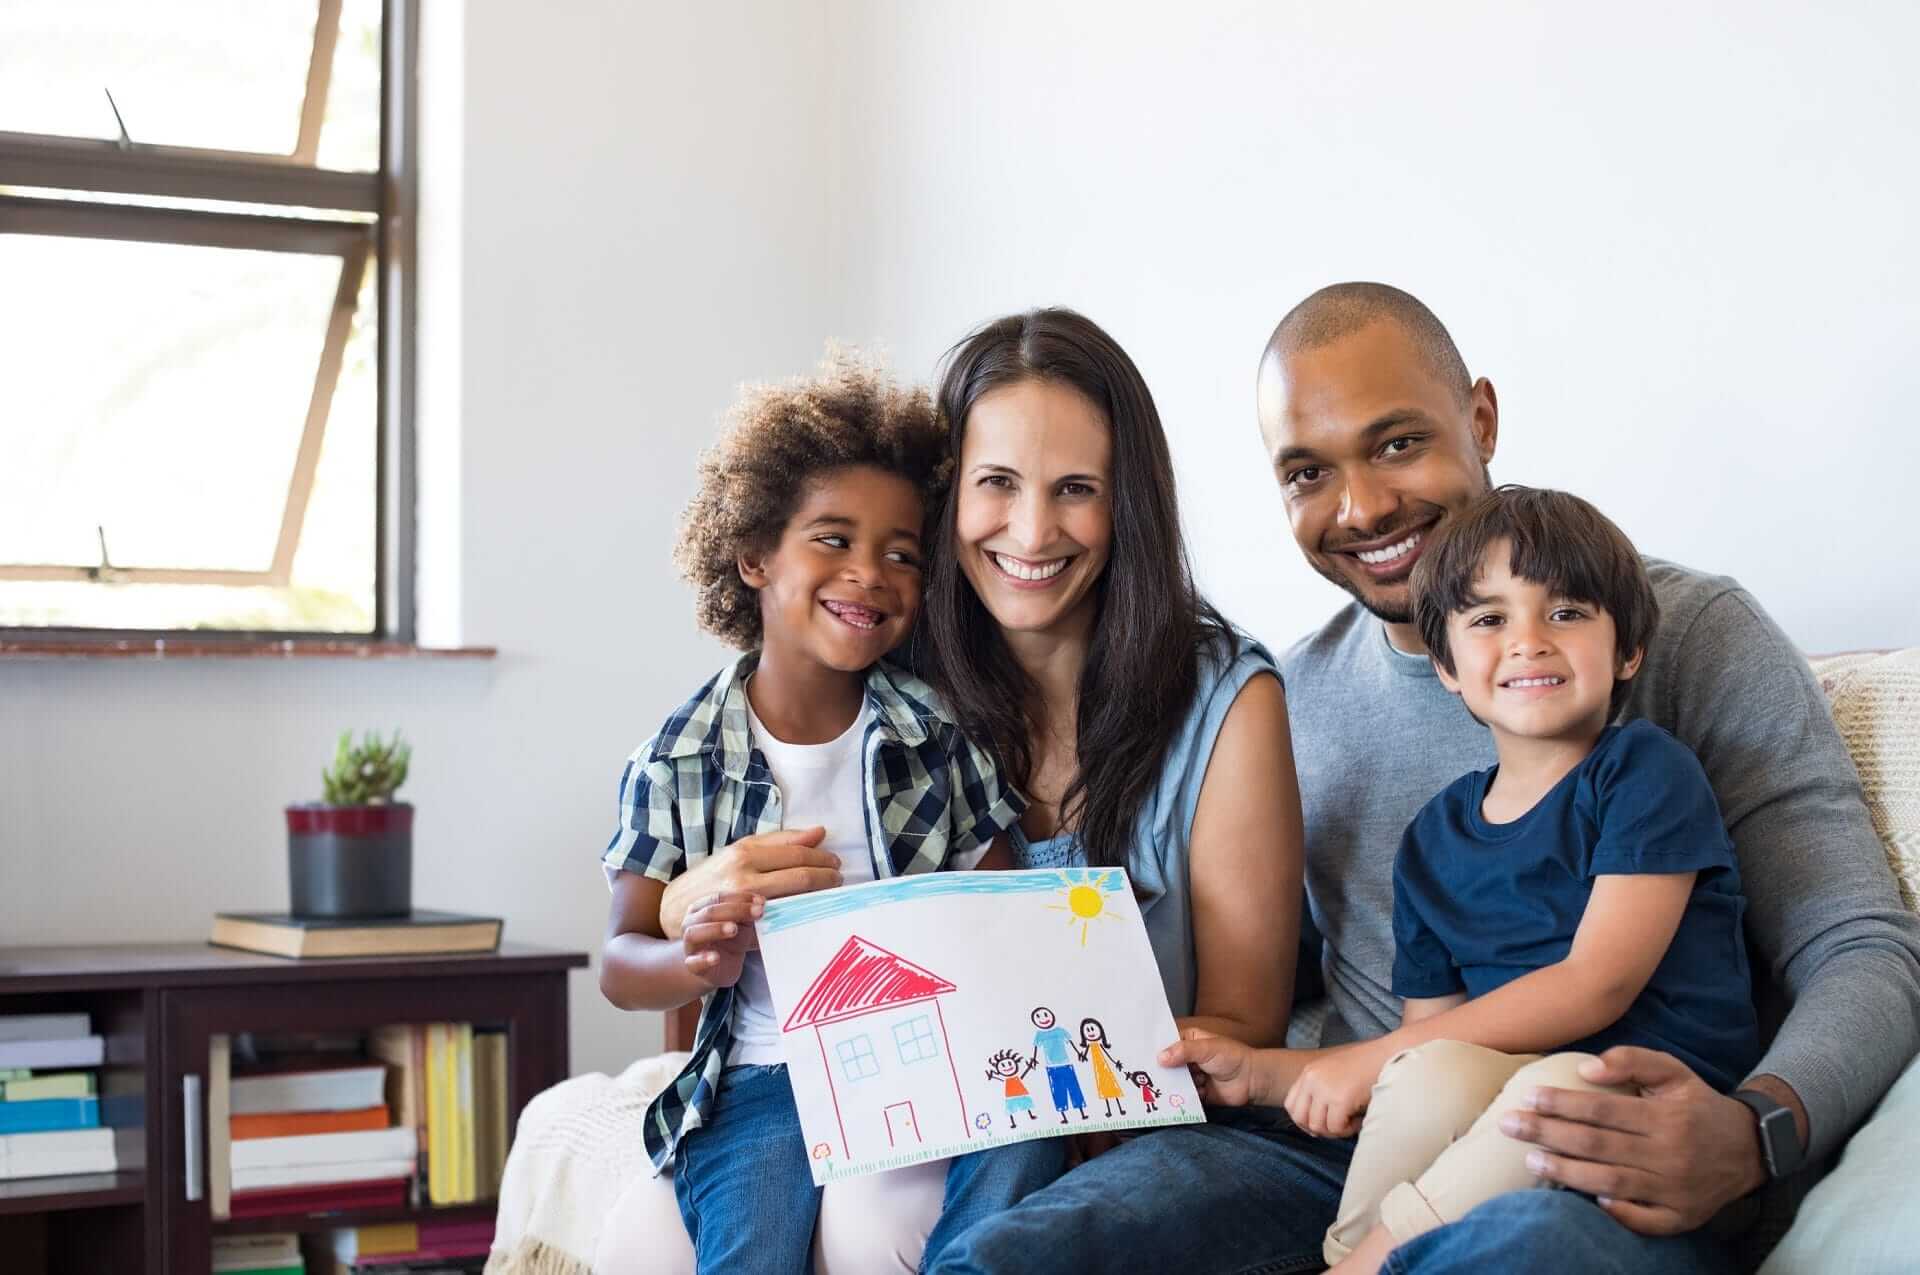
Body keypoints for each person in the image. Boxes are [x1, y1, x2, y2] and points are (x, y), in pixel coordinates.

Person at [935, 283, 1920, 1275]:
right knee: (1029, 1250)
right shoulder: (1291, 697)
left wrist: (1756, 1131)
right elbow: (1301, 996)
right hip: (1351, 1153)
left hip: (1598, 1167)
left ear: (1480, 418)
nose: (1362, 506)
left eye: (1399, 443)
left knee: (1517, 1249)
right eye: (1309, 471)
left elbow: (1864, 949)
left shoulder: (1682, 635)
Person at [661, 307, 1308, 1270]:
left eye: (1076, 489)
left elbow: (1245, 1024)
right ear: (945, 496)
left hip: (1138, 1119)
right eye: (996, 483)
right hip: (911, 1102)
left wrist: (1067, 1093)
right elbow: (727, 889)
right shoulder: (887, 674)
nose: (1033, 530)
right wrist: (687, 896)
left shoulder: (1228, 700)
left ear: (1127, 504)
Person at [1176, 486, 1763, 1274]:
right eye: (1490, 619)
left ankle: (1367, 1264)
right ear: (1446, 664)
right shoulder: (1433, 840)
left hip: (1644, 1106)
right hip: (1502, 1115)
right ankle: (1353, 1255)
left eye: (1566, 613)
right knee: (1431, 1075)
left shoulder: (1644, 772)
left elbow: (1597, 984)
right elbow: (1431, 1045)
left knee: (1553, 1086)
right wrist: (1262, 1073)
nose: (1528, 642)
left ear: (1627, 651)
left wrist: (1373, 1054)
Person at [594, 355, 1062, 1273]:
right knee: (755, 1244)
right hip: (764, 1079)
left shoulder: (935, 733)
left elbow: (1012, 917)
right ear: (755, 552)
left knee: (1027, 1137)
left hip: (929, 1058)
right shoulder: (679, 756)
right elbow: (619, 958)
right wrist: (696, 957)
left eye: (900, 553)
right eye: (834, 540)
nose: (871, 574)